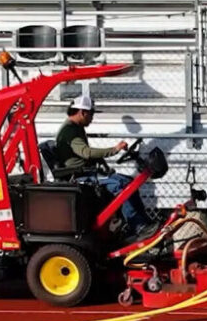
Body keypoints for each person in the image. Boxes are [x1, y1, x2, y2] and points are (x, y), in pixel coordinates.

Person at [54, 93, 157, 238]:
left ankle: (143, 223)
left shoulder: (75, 128)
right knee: (121, 185)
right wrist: (114, 150)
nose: (92, 118)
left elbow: (86, 155)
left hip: (86, 173)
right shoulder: (70, 131)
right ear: (82, 112)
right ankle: (138, 226)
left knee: (128, 182)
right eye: (91, 114)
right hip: (81, 178)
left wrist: (104, 165)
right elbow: (86, 153)